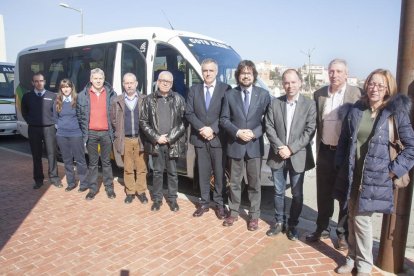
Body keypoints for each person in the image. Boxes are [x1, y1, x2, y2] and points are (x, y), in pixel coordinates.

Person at [335, 69, 414, 275]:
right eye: (371, 83)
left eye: (380, 85)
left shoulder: (395, 113)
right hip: (353, 174)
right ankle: (351, 258)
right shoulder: (356, 110)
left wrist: (391, 172)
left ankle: (364, 265)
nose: (375, 88)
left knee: (362, 221)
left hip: (375, 177)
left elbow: (411, 147)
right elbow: (345, 140)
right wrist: (341, 164)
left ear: (388, 88)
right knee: (351, 217)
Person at [306, 59, 362, 251]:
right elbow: (313, 124)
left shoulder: (356, 94)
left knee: (344, 196)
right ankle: (321, 228)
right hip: (325, 151)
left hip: (345, 154)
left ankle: (343, 234)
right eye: (331, 71)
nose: (334, 75)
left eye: (339, 71)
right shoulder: (319, 94)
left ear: (346, 74)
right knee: (323, 194)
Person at [265, 69, 317, 240]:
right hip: (278, 155)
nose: (290, 86)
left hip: (297, 156)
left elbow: (310, 131)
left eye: (293, 82)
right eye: (286, 82)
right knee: (278, 192)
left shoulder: (309, 105)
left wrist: (291, 148)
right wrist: (280, 147)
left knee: (297, 194)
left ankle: (293, 225)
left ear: (300, 82)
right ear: (282, 84)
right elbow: (269, 126)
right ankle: (279, 222)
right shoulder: (275, 103)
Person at [220, 60, 271, 231]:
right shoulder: (230, 95)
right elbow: (224, 119)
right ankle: (233, 212)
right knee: (234, 182)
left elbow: (267, 121)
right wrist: (237, 132)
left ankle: (254, 216)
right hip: (235, 144)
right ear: (238, 76)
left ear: (254, 75)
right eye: (243, 73)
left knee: (254, 183)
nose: (246, 76)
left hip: (254, 146)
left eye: (249, 73)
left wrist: (254, 133)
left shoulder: (263, 95)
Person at [185, 58, 231, 219]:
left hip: (218, 139)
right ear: (201, 72)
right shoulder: (194, 90)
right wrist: (202, 129)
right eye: (205, 70)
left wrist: (212, 128)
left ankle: (219, 204)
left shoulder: (226, 89)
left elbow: (227, 114)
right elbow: (189, 113)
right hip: (200, 138)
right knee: (203, 173)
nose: (208, 73)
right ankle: (204, 202)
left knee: (219, 173)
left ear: (216, 72)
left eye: (211, 70)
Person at [139, 71, 186, 212]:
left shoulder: (179, 99)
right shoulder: (148, 100)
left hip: (172, 143)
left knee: (173, 173)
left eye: (169, 81)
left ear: (172, 84)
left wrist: (170, 137)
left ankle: (172, 200)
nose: (165, 83)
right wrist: (156, 137)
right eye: (163, 80)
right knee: (158, 173)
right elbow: (143, 121)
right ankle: (157, 200)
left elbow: (184, 122)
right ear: (158, 82)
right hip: (156, 143)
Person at [77, 68, 116, 200]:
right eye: (95, 78)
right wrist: (84, 132)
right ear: (91, 79)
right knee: (93, 163)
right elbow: (79, 115)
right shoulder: (83, 95)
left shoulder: (111, 94)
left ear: (104, 79)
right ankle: (93, 189)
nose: (98, 81)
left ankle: (109, 188)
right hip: (91, 133)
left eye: (100, 78)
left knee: (106, 163)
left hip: (106, 133)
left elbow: (115, 114)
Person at [110, 73, 148, 204]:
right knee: (128, 168)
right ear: (123, 84)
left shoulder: (144, 99)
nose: (129, 85)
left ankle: (141, 191)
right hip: (125, 139)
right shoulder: (117, 100)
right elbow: (114, 120)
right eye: (127, 83)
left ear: (136, 83)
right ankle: (130, 192)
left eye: (132, 82)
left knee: (142, 167)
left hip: (140, 139)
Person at [22, 73, 61, 189]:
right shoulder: (27, 96)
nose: (39, 83)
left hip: (49, 128)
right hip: (34, 129)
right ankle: (38, 180)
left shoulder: (52, 96)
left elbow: (57, 112)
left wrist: (53, 122)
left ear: (45, 81)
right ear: (32, 83)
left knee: (52, 154)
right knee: (36, 155)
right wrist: (30, 121)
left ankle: (54, 178)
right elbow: (24, 111)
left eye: (41, 81)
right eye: (36, 81)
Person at [53, 79, 88, 192]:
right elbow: (55, 117)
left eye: (68, 86)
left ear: (71, 88)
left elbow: (82, 117)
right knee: (67, 160)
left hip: (76, 134)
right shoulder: (58, 101)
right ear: (61, 89)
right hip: (62, 135)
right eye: (63, 87)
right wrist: (61, 127)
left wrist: (82, 134)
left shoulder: (77, 100)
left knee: (80, 160)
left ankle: (83, 183)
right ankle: (71, 183)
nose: (66, 89)